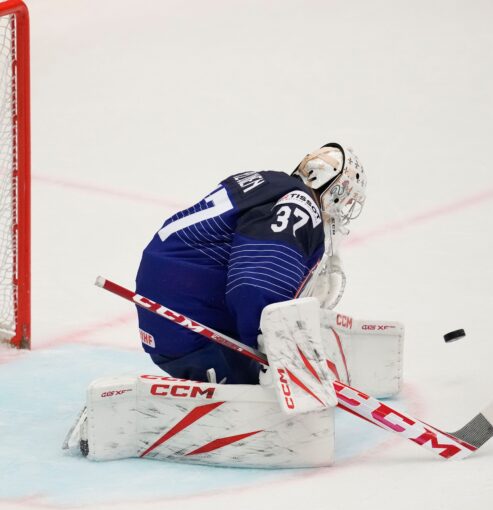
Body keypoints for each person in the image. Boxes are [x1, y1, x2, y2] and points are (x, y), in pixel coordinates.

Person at [134, 143, 367, 385]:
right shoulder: (300, 203)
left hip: (165, 308)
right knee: (268, 393)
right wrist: (274, 352)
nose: (342, 211)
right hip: (191, 323)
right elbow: (257, 282)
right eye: (347, 201)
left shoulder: (267, 183)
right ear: (335, 190)